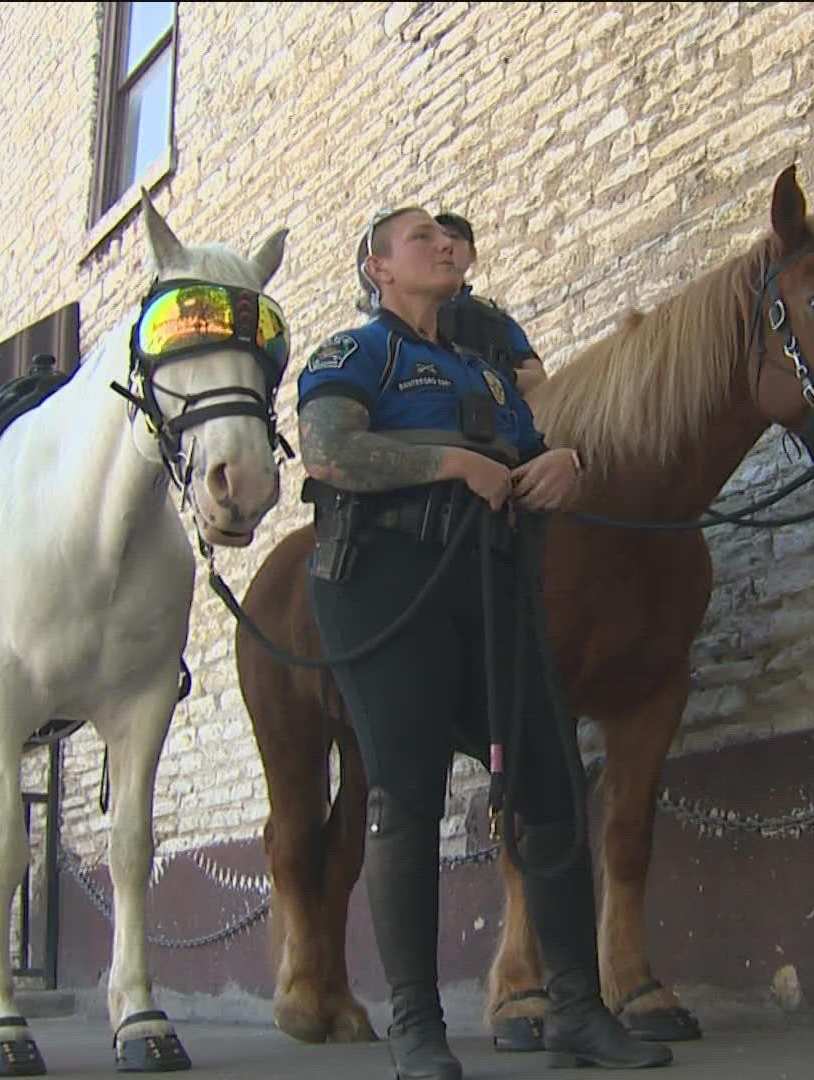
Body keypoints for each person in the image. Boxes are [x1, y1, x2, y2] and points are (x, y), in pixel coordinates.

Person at [299, 206, 672, 1079]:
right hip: (386, 581)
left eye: (446, 236)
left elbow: (537, 449)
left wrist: (564, 464)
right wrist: (450, 465)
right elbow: (327, 454)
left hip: (492, 585)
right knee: (407, 794)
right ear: (378, 266)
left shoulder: (487, 372)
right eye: (419, 237)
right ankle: (418, 1030)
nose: (441, 245)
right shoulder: (355, 354)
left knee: (548, 781)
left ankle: (578, 1011)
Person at [431, 211, 549, 394]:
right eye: (438, 238)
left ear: (472, 254)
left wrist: (495, 375)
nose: (447, 245)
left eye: (454, 237)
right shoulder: (415, 312)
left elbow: (538, 380)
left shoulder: (497, 320)